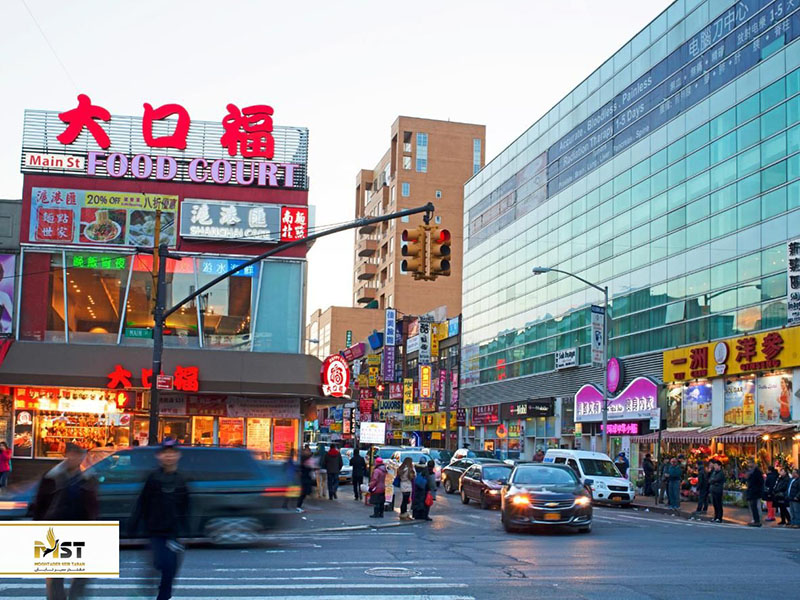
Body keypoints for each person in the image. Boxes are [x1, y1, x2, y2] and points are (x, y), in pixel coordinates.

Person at [32, 442, 98, 600]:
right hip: (56, 528)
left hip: (80, 528)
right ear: (66, 455)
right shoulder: (52, 476)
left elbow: (93, 505)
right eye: (72, 454)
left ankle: (75, 597)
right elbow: (40, 503)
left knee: (82, 572)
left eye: (79, 455)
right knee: (56, 573)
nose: (75, 458)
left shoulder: (87, 477)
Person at [129, 439, 189, 600]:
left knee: (171, 569)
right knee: (161, 563)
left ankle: (163, 596)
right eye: (165, 453)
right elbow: (142, 502)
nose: (169, 456)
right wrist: (134, 525)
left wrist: (186, 530)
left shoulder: (181, 479)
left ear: (178, 455)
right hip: (155, 530)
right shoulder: (153, 478)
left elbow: (186, 506)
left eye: (172, 453)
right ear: (159, 456)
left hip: (173, 532)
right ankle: (151, 587)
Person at [745, 458, 764, 527]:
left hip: (755, 491)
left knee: (756, 507)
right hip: (751, 491)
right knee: (752, 507)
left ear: (753, 463)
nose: (749, 464)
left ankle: (757, 520)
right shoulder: (750, 472)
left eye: (750, 463)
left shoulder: (757, 472)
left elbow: (761, 482)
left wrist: (757, 489)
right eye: (748, 463)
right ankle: (755, 520)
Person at [296, 444, 314, 513]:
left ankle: (299, 506)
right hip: (304, 477)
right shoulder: (303, 458)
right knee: (303, 492)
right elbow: (303, 467)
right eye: (307, 451)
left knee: (304, 492)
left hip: (306, 477)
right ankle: (298, 506)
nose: (308, 452)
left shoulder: (306, 458)